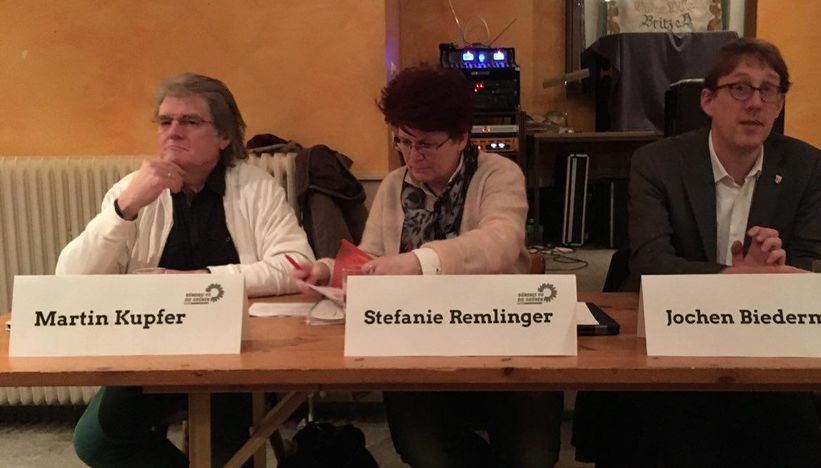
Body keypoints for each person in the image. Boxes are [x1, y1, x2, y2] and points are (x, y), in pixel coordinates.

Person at [574, 38, 821, 467]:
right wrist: (733, 279)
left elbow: (816, 260)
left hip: (766, 339)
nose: (755, 103)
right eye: (740, 88)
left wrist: (778, 269)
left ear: (780, 103)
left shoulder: (802, 164)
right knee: (683, 438)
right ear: (708, 100)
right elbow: (650, 263)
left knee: (790, 439)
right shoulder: (657, 163)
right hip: (679, 337)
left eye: (768, 90)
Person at [294, 66, 561, 468]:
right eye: (403, 141)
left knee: (531, 455)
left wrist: (420, 261)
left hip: (501, 337)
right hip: (418, 341)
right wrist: (328, 271)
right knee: (426, 452)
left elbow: (501, 242)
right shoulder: (393, 185)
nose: (412, 155)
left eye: (426, 144)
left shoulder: (498, 174)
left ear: (462, 137)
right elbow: (370, 259)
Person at [58, 73, 315, 467]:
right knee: (97, 442)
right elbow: (69, 279)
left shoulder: (255, 187)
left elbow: (295, 264)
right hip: (151, 351)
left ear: (224, 136)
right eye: (165, 121)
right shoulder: (132, 190)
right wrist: (124, 210)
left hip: (237, 353)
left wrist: (200, 283)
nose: (173, 132)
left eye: (190, 122)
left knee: (226, 455)